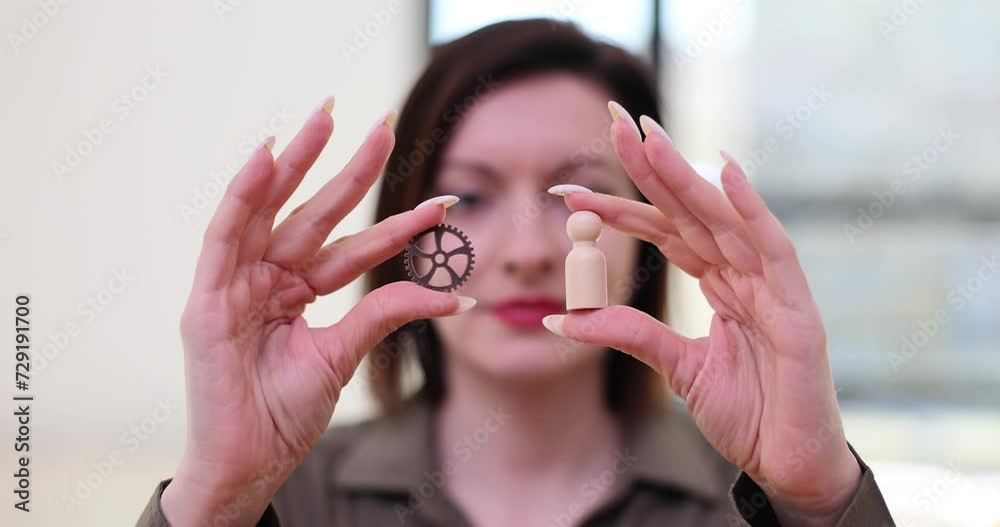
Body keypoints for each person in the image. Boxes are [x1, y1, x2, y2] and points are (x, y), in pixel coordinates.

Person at [138, 19, 894, 526]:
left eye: (573, 194)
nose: (530, 251)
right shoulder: (289, 498)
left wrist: (819, 498)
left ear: (645, 235)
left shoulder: (755, 503)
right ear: (408, 225)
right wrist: (215, 499)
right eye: (469, 193)